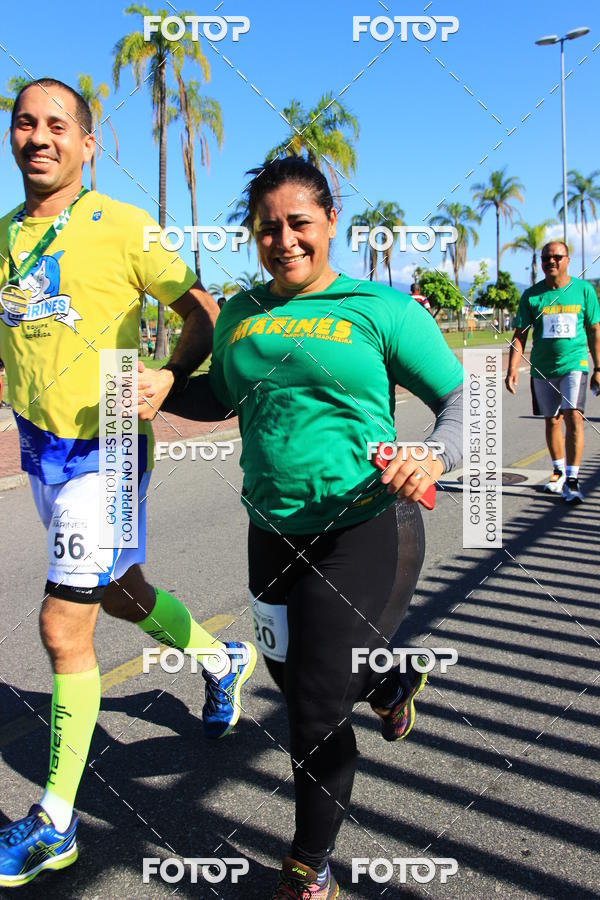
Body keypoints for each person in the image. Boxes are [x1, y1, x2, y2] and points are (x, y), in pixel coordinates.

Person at [140, 157, 464, 898]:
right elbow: (220, 394)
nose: (283, 240)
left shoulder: (379, 309)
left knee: (315, 705)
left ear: (330, 223)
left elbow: (459, 399)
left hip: (365, 526)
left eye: (298, 224)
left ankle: (306, 868)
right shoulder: (244, 314)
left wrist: (433, 456)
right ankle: (392, 676)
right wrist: (159, 389)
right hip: (272, 533)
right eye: (268, 228)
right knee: (294, 681)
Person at [0, 78, 255, 888]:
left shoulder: (122, 226)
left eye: (56, 126)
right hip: (39, 448)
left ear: (87, 143)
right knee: (119, 593)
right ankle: (219, 660)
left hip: (108, 440)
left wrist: (168, 378)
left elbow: (202, 310)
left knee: (61, 627)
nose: (38, 137)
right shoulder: (4, 234)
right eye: (24, 124)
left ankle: (55, 823)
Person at [506, 240, 600, 503]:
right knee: (553, 420)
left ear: (567, 259)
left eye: (557, 257)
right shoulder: (532, 296)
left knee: (574, 417)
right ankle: (558, 471)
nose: (552, 262)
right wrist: (513, 368)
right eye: (546, 257)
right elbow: (520, 334)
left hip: (575, 364)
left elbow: (595, 329)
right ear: (541, 262)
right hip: (542, 369)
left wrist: (599, 368)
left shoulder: (583, 290)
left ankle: (572, 478)